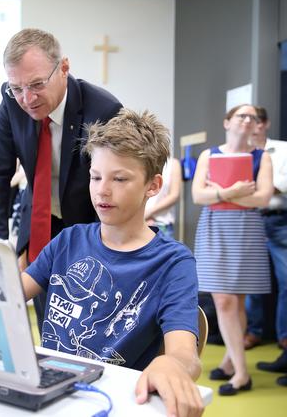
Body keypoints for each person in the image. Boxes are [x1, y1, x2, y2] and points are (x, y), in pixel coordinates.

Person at [23, 108, 203, 416]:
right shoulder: (69, 240)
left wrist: (169, 364)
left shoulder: (173, 262)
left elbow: (185, 354)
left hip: (113, 400)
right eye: (95, 177)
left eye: (120, 179)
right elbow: (9, 297)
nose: (102, 190)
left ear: (153, 186)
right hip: (50, 393)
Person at [0, 28, 122, 328]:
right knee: (48, 319)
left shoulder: (104, 111)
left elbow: (116, 186)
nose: (27, 99)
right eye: (16, 87)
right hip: (42, 225)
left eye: (36, 84)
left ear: (64, 69)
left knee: (86, 320)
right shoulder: (11, 104)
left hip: (90, 225)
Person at [191, 104, 273, 396]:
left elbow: (263, 198)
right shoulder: (208, 155)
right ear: (227, 122)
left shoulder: (261, 158)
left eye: (252, 117)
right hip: (214, 228)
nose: (248, 120)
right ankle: (241, 373)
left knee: (237, 301)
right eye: (242, 115)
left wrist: (221, 194)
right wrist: (234, 192)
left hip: (246, 229)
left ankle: (229, 363)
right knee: (224, 300)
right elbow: (198, 195)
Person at [243, 107, 287, 386]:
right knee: (248, 282)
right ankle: (253, 331)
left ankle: (284, 340)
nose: (252, 126)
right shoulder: (239, 154)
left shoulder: (281, 150)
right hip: (248, 220)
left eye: (257, 121)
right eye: (246, 120)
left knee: (286, 281)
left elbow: (279, 185)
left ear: (266, 123)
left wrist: (257, 186)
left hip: (279, 221)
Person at [144, 157, 182, 238]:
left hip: (161, 224)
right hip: (135, 224)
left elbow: (174, 195)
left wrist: (148, 213)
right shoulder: (135, 161)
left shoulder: (172, 164)